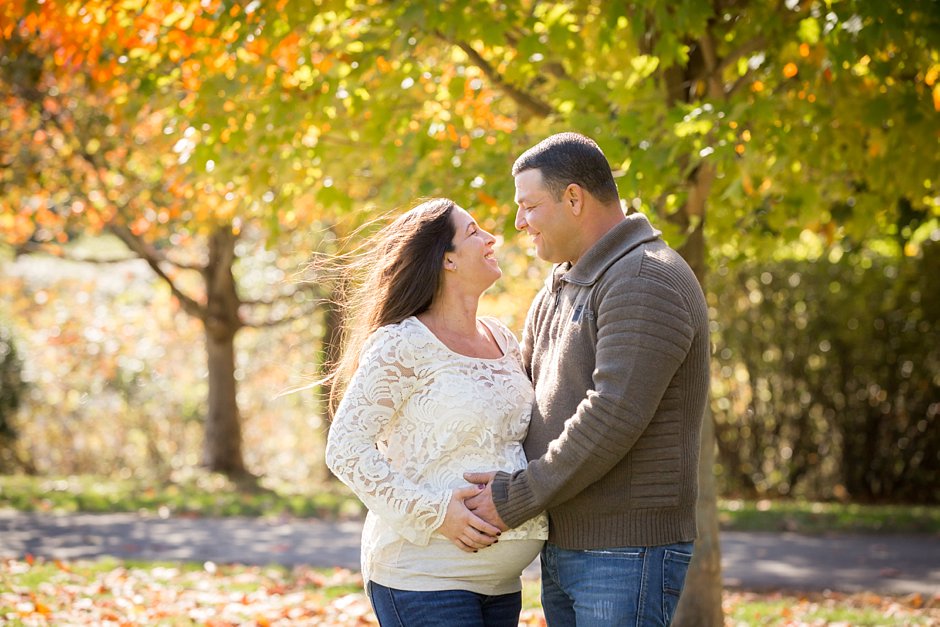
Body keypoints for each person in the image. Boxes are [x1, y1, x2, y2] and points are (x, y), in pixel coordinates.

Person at [464, 132, 710, 626]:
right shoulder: (562, 284)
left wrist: (513, 497)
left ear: (573, 198)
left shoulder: (644, 277)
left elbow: (612, 414)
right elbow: (521, 396)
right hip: (569, 540)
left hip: (626, 547)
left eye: (529, 206)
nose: (518, 222)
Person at [324, 198, 548, 627]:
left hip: (502, 584)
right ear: (446, 259)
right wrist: (436, 513)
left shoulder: (501, 336)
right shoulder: (403, 343)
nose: (491, 239)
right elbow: (345, 448)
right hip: (424, 578)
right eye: (474, 232)